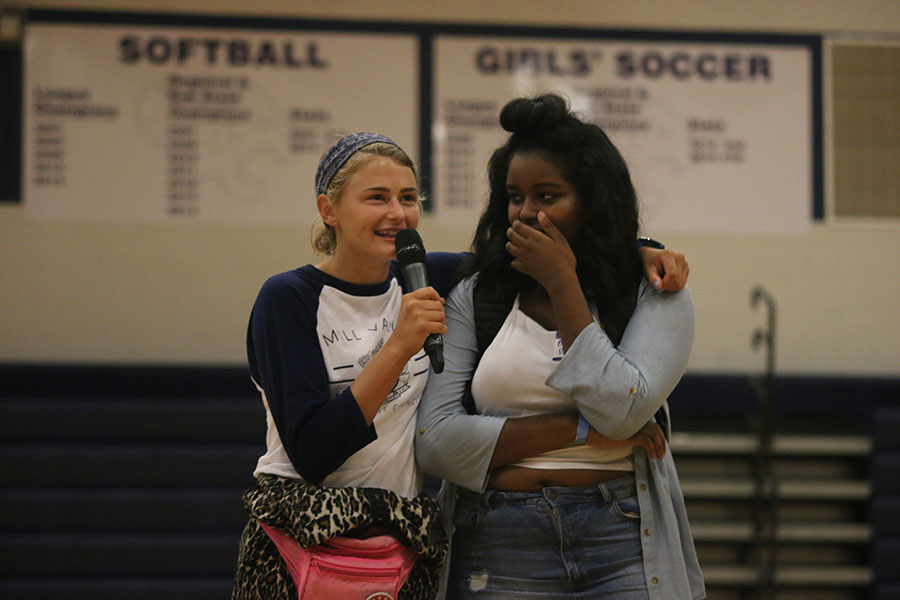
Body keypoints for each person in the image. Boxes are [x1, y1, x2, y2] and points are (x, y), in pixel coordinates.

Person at [231, 130, 691, 599]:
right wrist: (398, 347)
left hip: (396, 537)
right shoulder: (287, 298)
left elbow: (543, 255)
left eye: (408, 198)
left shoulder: (433, 276)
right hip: (302, 535)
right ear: (329, 210)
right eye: (376, 198)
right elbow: (313, 454)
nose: (397, 213)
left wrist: (642, 249)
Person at [415, 94, 705, 599]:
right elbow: (435, 441)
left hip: (621, 532)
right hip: (498, 539)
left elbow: (620, 412)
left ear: (591, 201)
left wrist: (563, 284)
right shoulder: (477, 294)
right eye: (514, 196)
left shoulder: (654, 291)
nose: (527, 213)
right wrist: (576, 430)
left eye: (548, 197)